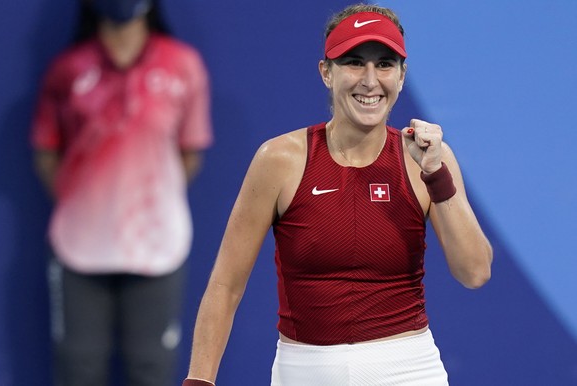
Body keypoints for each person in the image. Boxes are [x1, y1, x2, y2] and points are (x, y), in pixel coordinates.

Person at [183, 3, 492, 386]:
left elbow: (475, 272)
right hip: (303, 370)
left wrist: (435, 175)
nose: (369, 80)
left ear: (402, 75)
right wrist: (198, 381)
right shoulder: (279, 159)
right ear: (326, 72)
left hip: (409, 371)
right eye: (353, 62)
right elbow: (225, 285)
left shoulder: (429, 159)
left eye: (384, 64)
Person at [30, 0, 213, 385]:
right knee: (78, 369)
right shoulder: (67, 69)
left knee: (152, 370)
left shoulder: (182, 65)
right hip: (78, 246)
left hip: (158, 245)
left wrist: (154, 199)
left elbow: (190, 152)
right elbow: (46, 150)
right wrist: (83, 202)